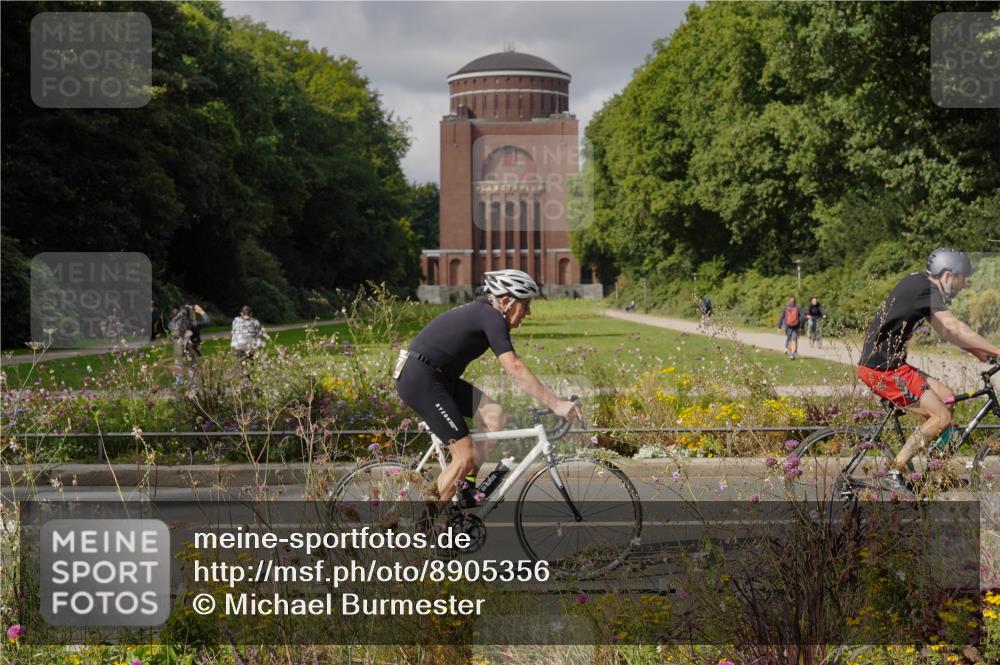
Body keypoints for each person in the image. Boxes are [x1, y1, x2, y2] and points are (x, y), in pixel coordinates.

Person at [395, 269, 581, 515]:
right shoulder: (490, 317)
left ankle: (465, 488)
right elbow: (514, 368)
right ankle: (424, 529)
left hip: (437, 377)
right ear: (505, 301)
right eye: (525, 305)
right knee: (464, 458)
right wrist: (556, 403)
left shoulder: (486, 314)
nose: (529, 312)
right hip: (422, 378)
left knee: (494, 416)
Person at [856, 248, 1000, 493]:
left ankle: (935, 465)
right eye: (962, 278)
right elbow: (953, 325)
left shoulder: (919, 285)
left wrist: (979, 352)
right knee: (941, 417)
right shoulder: (924, 289)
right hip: (882, 369)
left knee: (947, 396)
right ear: (947, 275)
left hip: (888, 365)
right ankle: (895, 471)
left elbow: (946, 331)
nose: (963, 285)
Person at [170, 304, 211, 389]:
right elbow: (207, 322)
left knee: (179, 373)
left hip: (179, 352)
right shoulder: (194, 324)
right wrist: (201, 312)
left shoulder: (175, 325)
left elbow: (169, 324)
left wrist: (178, 315)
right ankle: (194, 392)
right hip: (192, 352)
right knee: (193, 372)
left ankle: (178, 390)